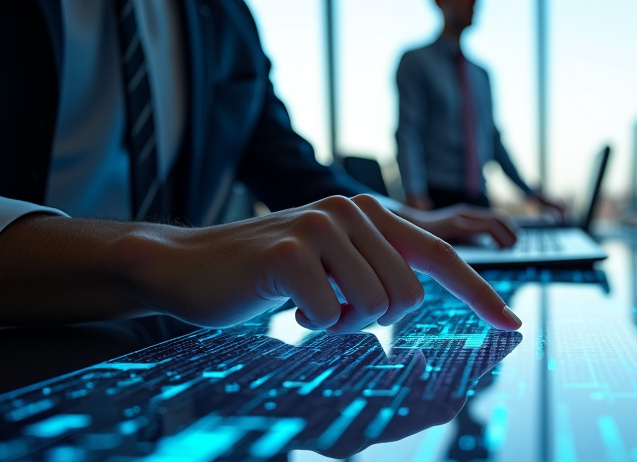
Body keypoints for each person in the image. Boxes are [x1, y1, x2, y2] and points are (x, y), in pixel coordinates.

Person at [0, 1, 522, 333]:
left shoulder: (226, 18)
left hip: (177, 347)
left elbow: (289, 167)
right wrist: (157, 259)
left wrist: (406, 218)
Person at [395, 0, 567, 216]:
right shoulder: (415, 61)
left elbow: (493, 142)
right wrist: (414, 193)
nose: (475, 2)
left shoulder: (481, 74)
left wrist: (532, 194)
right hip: (434, 199)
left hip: (479, 200)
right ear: (440, 2)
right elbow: (408, 131)